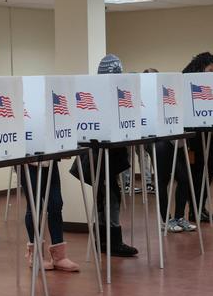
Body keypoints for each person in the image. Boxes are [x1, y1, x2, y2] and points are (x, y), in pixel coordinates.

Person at [83, 54, 139, 257]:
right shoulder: (107, 92)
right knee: (110, 197)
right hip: (102, 153)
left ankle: (104, 241)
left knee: (105, 196)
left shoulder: (96, 90)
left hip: (104, 152)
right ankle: (112, 241)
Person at [182, 52, 213, 222]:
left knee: (210, 165)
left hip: (206, 132)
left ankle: (200, 207)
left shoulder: (209, 84)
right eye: (210, 71)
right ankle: (194, 210)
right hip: (192, 135)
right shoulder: (186, 81)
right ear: (201, 67)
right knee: (196, 171)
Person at [21, 162, 79, 272]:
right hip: (29, 160)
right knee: (34, 206)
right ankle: (36, 256)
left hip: (50, 158)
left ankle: (59, 257)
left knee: (56, 203)